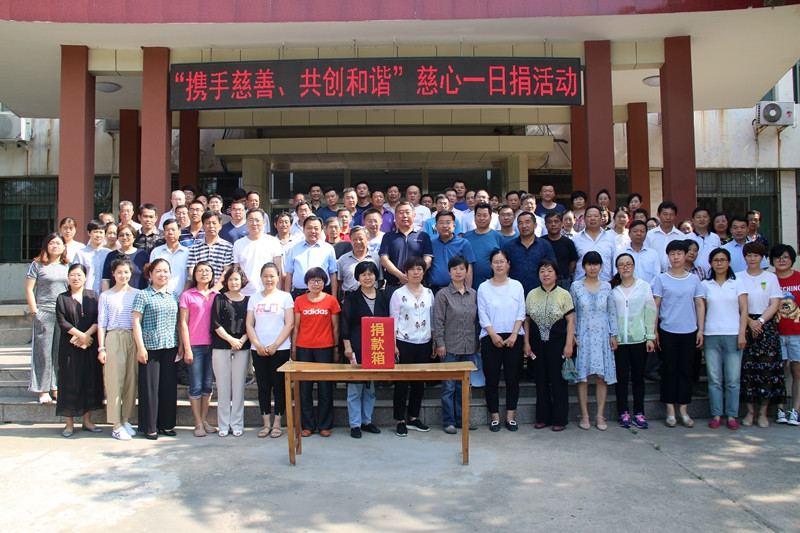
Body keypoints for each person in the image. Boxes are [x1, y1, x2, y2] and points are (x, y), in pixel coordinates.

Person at [652, 240, 705, 428]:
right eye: (672, 254)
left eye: (679, 253)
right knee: (669, 370)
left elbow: (699, 304)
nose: (676, 257)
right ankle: (670, 410)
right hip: (668, 330)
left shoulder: (694, 279)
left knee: (685, 370)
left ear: (685, 255)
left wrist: (701, 329)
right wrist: (654, 330)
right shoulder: (661, 279)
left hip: (689, 331)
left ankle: (683, 409)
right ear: (668, 256)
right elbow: (656, 305)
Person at [523, 258, 575, 431]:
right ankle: (542, 417)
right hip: (537, 345)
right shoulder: (531, 294)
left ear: (556, 274)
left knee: (558, 382)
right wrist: (526, 343)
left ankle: (560, 419)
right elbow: (527, 321)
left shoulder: (564, 294)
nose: (546, 274)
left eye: (549, 271)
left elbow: (571, 321)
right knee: (541, 381)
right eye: (542, 271)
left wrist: (569, 344)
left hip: (558, 344)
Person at [478, 249, 525, 433]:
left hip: (514, 337)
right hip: (490, 337)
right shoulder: (483, 287)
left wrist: (514, 334)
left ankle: (511, 417)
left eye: (502, 261)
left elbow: (521, 311)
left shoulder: (517, 286)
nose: (499, 265)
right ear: (491, 265)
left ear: (508, 264)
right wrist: (492, 334)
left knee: (513, 379)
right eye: (495, 262)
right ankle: (495, 418)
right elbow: (482, 314)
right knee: (492, 379)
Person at [132, 258, 180, 440]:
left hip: (170, 346)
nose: (162, 274)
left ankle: (166, 425)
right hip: (150, 347)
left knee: (168, 387)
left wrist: (181, 345)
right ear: (150, 274)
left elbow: (178, 322)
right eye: (158, 271)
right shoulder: (143, 295)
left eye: (166, 271)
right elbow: (136, 322)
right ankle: (149, 426)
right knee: (150, 388)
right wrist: (140, 347)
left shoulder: (173, 295)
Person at [570, 251, 618, 431]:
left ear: (601, 266)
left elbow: (612, 312)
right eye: (589, 264)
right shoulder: (576, 286)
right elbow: (572, 312)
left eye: (596, 264)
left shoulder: (606, 287)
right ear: (583, 266)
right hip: (583, 334)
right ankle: (584, 414)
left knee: (601, 377)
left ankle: (600, 415)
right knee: (583, 377)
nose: (593, 268)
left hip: (602, 335)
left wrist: (613, 335)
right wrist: (572, 335)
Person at [434, 256, 481, 434]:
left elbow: (477, 321)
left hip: (469, 347)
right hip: (449, 348)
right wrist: (440, 344)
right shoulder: (443, 295)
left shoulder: (474, 294)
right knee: (449, 387)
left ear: (467, 271)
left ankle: (463, 420)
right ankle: (449, 421)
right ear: (449, 272)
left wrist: (477, 343)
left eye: (462, 268)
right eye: (455, 269)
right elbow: (438, 321)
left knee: (464, 387)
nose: (458, 272)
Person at [738, 242, 783, 428]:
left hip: (766, 326)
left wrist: (760, 322)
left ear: (762, 258)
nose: (752, 258)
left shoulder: (770, 278)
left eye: (756, 255)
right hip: (745, 323)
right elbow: (738, 304)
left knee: (767, 370)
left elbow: (775, 304)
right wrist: (750, 322)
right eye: (749, 255)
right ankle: (750, 412)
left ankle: (763, 412)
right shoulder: (738, 277)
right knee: (747, 370)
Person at [246, 262, 294, 439]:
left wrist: (275, 345)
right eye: (265, 276)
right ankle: (266, 423)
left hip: (280, 349)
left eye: (272, 276)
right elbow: (249, 324)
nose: (269, 279)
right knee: (263, 387)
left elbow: (289, 323)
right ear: (261, 278)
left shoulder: (285, 297)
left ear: (278, 277)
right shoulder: (254, 298)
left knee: (279, 387)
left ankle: (277, 423)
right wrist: (257, 344)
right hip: (258, 349)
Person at [701, 248, 748, 430]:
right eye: (716, 260)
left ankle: (732, 415)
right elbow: (702, 310)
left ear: (728, 263)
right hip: (711, 334)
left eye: (722, 260)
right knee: (714, 379)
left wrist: (742, 333)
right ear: (711, 263)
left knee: (733, 379)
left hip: (733, 334)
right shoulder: (705, 285)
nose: (719, 263)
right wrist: (701, 331)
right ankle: (716, 414)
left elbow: (744, 310)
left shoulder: (737, 283)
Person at [341, 261, 388, 438]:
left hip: (377, 347)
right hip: (356, 346)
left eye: (370, 274)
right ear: (358, 277)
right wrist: (347, 346)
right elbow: (344, 323)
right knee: (355, 387)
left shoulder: (383, 297)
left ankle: (366, 421)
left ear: (376, 276)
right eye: (363, 274)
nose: (367, 278)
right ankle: (355, 424)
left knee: (370, 388)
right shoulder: (351, 298)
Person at [292, 267, 341, 437]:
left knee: (325, 388)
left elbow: (335, 328)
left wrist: (336, 348)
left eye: (319, 281)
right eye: (312, 281)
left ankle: (324, 425)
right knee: (304, 388)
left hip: (325, 348)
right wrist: (293, 348)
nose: (316, 284)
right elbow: (296, 327)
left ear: (324, 283)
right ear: (307, 283)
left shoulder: (331, 301)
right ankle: (307, 425)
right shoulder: (299, 300)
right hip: (303, 347)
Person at [55, 264, 103, 437]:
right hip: (70, 346)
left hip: (89, 346)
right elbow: (62, 321)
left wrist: (87, 336)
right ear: (68, 277)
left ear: (85, 277)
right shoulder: (62, 298)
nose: (76, 278)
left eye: (79, 275)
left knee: (88, 381)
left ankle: (87, 421)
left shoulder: (93, 296)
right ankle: (69, 424)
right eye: (72, 275)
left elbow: (99, 318)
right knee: (69, 382)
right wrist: (80, 336)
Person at [611, 253, 657, 429]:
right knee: (621, 379)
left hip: (639, 339)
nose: (625, 267)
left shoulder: (643, 287)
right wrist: (612, 335)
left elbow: (650, 312)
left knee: (638, 378)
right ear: (617, 268)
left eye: (628, 264)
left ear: (634, 266)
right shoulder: (613, 289)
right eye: (621, 265)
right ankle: (623, 412)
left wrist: (650, 336)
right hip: (620, 341)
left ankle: (639, 412)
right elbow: (610, 314)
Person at [389, 256, 434, 436]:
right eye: (412, 269)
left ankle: (414, 417)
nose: (416, 272)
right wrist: (393, 344)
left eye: (419, 269)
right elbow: (393, 320)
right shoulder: (398, 294)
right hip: (404, 342)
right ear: (406, 273)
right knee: (402, 383)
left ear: (424, 272)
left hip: (424, 342)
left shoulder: (429, 293)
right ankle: (400, 420)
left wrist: (434, 341)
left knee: (419, 383)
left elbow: (432, 319)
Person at [97, 258, 139, 441]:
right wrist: (101, 348)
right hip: (114, 337)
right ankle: (115, 424)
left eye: (126, 272)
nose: (123, 275)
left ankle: (126, 419)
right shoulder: (106, 295)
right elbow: (101, 323)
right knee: (114, 381)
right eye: (119, 272)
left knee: (131, 380)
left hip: (133, 337)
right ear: (113, 274)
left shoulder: (137, 293)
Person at [26, 232, 70, 404]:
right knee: (43, 352)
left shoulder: (67, 266)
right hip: (44, 312)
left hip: (62, 313)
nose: (55, 246)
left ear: (64, 247)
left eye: (59, 243)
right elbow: (29, 289)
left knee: (59, 352)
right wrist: (34, 311)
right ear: (46, 245)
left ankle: (55, 387)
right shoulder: (37, 265)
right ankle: (42, 390)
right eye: (52, 243)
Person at [179, 261, 218, 437]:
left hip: (213, 345)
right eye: (200, 271)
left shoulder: (216, 295)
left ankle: (204, 420)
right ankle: (197, 423)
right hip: (195, 345)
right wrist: (186, 348)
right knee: (196, 385)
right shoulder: (187, 295)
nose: (204, 273)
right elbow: (183, 323)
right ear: (194, 275)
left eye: (207, 271)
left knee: (208, 385)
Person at [211, 266, 251, 437]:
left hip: (242, 347)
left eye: (237, 279)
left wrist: (241, 340)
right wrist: (231, 340)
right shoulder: (219, 299)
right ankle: (223, 424)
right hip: (221, 346)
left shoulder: (249, 300)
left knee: (239, 387)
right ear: (226, 282)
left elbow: (251, 324)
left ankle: (237, 423)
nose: (234, 282)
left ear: (242, 281)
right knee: (223, 387)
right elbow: (215, 323)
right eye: (231, 279)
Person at [770, 243, 800, 426]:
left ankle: (796, 410)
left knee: (797, 372)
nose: (781, 261)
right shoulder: (769, 280)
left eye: (785, 257)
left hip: (797, 333)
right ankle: (780, 409)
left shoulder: (799, 278)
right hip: (776, 333)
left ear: (792, 259)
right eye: (777, 258)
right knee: (779, 372)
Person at [379, 201, 433, 288]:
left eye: (408, 212)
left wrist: (413, 276)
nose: (404, 216)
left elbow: (428, 260)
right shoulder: (388, 236)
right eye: (401, 212)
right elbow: (384, 260)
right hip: (393, 285)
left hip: (417, 285)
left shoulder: (423, 236)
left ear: (414, 215)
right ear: (395, 216)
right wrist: (400, 276)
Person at [502, 211, 555, 297]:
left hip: (540, 293)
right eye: (520, 223)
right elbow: (504, 271)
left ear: (535, 225)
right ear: (517, 227)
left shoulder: (545, 245)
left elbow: (552, 269)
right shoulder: (509, 246)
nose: (524, 226)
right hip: (514, 294)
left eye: (527, 222)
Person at [284, 215, 339, 298]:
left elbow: (333, 274)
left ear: (321, 230)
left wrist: (334, 297)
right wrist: (287, 298)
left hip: (322, 294)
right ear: (303, 229)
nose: (313, 231)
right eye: (309, 228)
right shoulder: (294, 248)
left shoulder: (328, 248)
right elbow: (289, 274)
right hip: (299, 294)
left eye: (316, 228)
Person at [232, 208, 284, 297]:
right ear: (246, 222)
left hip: (268, 292)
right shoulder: (238, 244)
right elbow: (236, 270)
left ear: (264, 222)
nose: (254, 223)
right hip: (245, 293)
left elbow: (278, 269)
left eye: (257, 220)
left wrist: (277, 294)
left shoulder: (273, 242)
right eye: (251, 220)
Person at [428, 210, 476, 293]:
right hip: (434, 290)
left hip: (457, 290)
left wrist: (468, 292)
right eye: (441, 223)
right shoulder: (431, 243)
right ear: (436, 226)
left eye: (448, 222)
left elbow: (469, 268)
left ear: (454, 225)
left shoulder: (463, 243)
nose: (444, 226)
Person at [463, 202, 504, 290]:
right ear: (474, 217)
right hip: (469, 286)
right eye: (479, 215)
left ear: (490, 218)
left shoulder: (498, 237)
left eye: (485, 215)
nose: (481, 218)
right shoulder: (466, 237)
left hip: (493, 286)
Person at [573, 206, 616, 282]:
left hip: (606, 283)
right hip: (581, 284)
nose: (593, 218)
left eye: (596, 216)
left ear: (601, 218)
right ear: (584, 219)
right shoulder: (576, 239)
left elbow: (614, 261)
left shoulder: (610, 238)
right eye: (589, 216)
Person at [102, 224, 149, 290]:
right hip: (116, 294)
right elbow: (106, 279)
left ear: (134, 237)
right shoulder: (111, 255)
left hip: (140, 294)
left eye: (127, 235)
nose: (124, 237)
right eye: (121, 235)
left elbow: (149, 278)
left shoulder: (142, 254)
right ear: (118, 238)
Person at [150, 218, 190, 295]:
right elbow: (151, 276)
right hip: (160, 296)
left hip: (182, 296)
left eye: (173, 230)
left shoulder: (187, 252)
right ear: (163, 233)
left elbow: (190, 277)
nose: (170, 233)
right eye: (167, 230)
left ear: (179, 232)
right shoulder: (156, 252)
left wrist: (183, 295)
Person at [338, 225, 380, 297]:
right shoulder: (343, 259)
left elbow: (380, 280)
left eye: (361, 239)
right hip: (350, 297)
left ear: (368, 239)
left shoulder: (376, 258)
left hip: (372, 296)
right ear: (350, 240)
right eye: (354, 239)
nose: (358, 242)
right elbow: (339, 281)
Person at [614, 220, 660, 285]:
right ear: (629, 233)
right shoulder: (620, 252)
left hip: (649, 290)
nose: (639, 234)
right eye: (635, 231)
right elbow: (617, 273)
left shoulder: (653, 254)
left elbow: (656, 275)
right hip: (626, 289)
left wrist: (647, 288)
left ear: (646, 234)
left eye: (642, 231)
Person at [644, 201, 685, 273]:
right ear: (658, 215)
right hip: (654, 273)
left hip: (675, 273)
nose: (668, 217)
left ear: (675, 216)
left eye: (671, 214)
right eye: (665, 214)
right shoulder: (649, 235)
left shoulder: (681, 237)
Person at [542, 210, 578, 290]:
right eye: (550, 222)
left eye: (556, 221)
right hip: (544, 279)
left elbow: (572, 264)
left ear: (562, 223)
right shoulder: (541, 242)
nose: (553, 224)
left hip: (563, 280)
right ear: (546, 225)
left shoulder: (568, 243)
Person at [73, 219, 111, 293]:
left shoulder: (109, 254)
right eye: (95, 232)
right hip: (85, 294)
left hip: (105, 295)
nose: (98, 235)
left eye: (101, 232)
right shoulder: (81, 254)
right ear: (89, 233)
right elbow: (76, 275)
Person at [687, 206, 721, 276]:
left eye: (705, 217)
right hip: (694, 275)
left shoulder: (715, 237)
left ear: (709, 219)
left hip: (713, 276)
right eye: (698, 217)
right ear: (693, 220)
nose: (702, 219)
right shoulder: (687, 238)